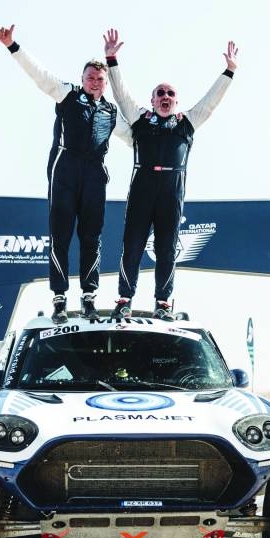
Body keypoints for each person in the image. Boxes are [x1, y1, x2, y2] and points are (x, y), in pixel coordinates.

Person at [0, 24, 132, 323]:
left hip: (95, 174)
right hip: (65, 171)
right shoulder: (67, 94)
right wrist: (13, 46)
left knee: (91, 237)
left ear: (105, 84)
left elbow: (138, 140)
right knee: (60, 235)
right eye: (90, 78)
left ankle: (89, 298)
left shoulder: (111, 113)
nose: (95, 82)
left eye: (100, 79)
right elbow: (39, 74)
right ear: (82, 79)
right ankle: (59, 298)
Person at [103, 29, 238, 321]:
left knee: (166, 251)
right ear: (152, 101)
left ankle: (163, 303)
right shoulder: (139, 120)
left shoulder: (187, 123)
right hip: (142, 191)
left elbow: (210, 102)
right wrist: (111, 60)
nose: (166, 97)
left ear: (176, 101)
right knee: (133, 248)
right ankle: (124, 299)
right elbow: (122, 95)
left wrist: (229, 71)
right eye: (160, 94)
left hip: (171, 194)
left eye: (170, 94)